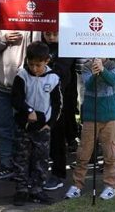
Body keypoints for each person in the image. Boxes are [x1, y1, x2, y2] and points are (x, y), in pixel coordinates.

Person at [11, 42, 61, 206]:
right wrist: (28, 110)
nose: (34, 68)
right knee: (21, 158)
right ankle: (21, 190)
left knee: (41, 160)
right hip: (23, 125)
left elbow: (57, 103)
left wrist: (50, 124)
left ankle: (37, 189)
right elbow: (16, 99)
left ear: (46, 61)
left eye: (38, 65)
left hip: (42, 128)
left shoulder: (53, 78)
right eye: (31, 64)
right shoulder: (22, 75)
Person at [64, 57, 115, 201]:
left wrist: (102, 70)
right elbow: (89, 85)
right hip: (91, 116)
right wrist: (96, 72)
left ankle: (110, 186)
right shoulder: (86, 67)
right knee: (84, 153)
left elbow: (113, 80)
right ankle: (77, 185)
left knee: (110, 153)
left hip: (109, 116)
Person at [0, 28, 40, 180]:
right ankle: (6, 164)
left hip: (23, 86)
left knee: (24, 129)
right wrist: (4, 39)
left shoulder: (32, 15)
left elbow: (37, 51)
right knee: (3, 126)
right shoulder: (3, 17)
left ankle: (23, 167)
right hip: (0, 84)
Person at [42, 31, 75, 191]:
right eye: (48, 34)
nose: (51, 37)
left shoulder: (67, 47)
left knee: (57, 137)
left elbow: (63, 71)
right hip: (38, 97)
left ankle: (58, 173)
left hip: (59, 98)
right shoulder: (39, 46)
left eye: (55, 33)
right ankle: (37, 172)